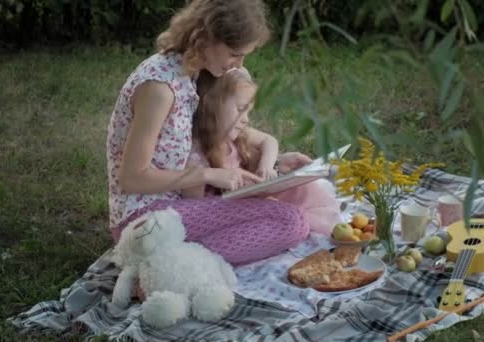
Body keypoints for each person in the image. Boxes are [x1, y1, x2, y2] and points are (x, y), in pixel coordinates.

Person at [107, 0, 314, 265]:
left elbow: (210, 137)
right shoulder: (159, 87)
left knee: (287, 214)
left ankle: (171, 261)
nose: (239, 63)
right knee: (290, 221)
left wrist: (272, 161)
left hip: (183, 205)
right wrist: (208, 174)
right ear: (205, 38)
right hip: (145, 219)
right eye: (234, 53)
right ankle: (164, 264)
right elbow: (132, 179)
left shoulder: (193, 74)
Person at [183, 68, 343, 235]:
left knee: (302, 186)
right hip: (231, 213)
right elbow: (196, 210)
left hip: (254, 197)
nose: (246, 119)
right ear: (211, 104)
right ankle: (301, 223)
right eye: (240, 109)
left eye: (248, 111)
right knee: (281, 213)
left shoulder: (235, 135)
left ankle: (324, 222)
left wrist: (267, 166)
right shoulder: (196, 156)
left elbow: (269, 140)